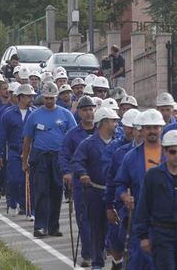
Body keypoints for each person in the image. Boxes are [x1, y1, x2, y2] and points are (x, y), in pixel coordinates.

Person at [22, 81, 77, 238]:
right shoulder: (34, 116)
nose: (49, 101)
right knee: (41, 191)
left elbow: (73, 138)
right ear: (42, 98)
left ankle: (53, 226)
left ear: (56, 98)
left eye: (52, 98)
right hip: (40, 157)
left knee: (56, 192)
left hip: (58, 158)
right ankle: (40, 226)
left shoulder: (66, 115)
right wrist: (24, 161)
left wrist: (72, 161)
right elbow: (27, 141)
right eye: (46, 98)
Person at [115, 109, 166, 270]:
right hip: (140, 219)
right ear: (141, 130)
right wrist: (124, 197)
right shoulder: (131, 157)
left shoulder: (170, 154)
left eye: (156, 127)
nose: (152, 131)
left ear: (161, 129)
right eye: (148, 127)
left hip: (166, 220)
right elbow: (120, 184)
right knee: (138, 261)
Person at [72, 107, 120, 269]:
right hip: (95, 192)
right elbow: (77, 161)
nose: (116, 124)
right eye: (113, 121)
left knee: (115, 230)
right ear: (104, 122)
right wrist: (82, 174)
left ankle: (115, 257)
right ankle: (97, 262)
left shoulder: (118, 143)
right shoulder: (88, 144)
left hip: (114, 193)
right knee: (97, 229)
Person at [58, 95, 96, 267]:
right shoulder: (72, 134)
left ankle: (100, 249)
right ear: (79, 112)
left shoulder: (102, 131)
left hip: (101, 183)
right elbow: (64, 155)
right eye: (85, 110)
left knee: (101, 219)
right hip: (81, 183)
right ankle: (88, 254)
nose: (88, 113)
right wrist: (67, 173)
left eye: (90, 109)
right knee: (84, 218)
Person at [102, 108, 141, 269]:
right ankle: (117, 263)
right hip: (121, 206)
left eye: (136, 129)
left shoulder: (158, 153)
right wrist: (109, 206)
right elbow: (111, 180)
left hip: (144, 209)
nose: (133, 132)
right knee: (117, 241)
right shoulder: (118, 152)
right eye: (129, 128)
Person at [134, 129, 177, 270]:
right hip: (162, 235)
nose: (176, 156)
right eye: (172, 152)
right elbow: (143, 206)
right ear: (165, 152)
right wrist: (143, 236)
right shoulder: (153, 175)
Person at [0, 84, 36, 216]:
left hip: (31, 152)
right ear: (20, 97)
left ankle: (25, 205)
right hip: (14, 151)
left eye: (31, 96)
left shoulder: (35, 114)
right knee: (14, 179)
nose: (31, 99)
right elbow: (2, 135)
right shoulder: (8, 114)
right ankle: (12, 202)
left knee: (28, 180)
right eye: (28, 96)